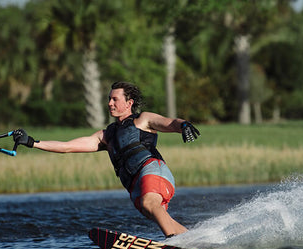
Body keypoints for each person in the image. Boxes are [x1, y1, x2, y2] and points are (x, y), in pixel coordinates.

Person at [12, 81, 201, 237]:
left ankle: (172, 242)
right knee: (154, 211)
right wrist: (31, 142)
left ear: (129, 103)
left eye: (114, 99)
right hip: (135, 187)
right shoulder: (106, 136)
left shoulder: (142, 120)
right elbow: (67, 147)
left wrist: (183, 125)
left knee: (149, 204)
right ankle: (190, 239)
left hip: (152, 171)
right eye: (109, 99)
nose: (110, 103)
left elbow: (169, 123)